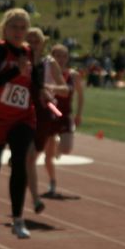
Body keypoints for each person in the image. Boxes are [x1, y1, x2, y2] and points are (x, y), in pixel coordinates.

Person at [0, 8, 41, 239]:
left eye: (23, 27)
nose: (19, 31)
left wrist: (43, 92)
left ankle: (18, 219)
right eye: (14, 26)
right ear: (5, 28)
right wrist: (15, 70)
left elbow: (35, 83)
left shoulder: (29, 52)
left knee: (21, 161)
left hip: (22, 117)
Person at [24, 28, 68, 215]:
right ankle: (35, 199)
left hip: (42, 114)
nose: (32, 45)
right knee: (28, 156)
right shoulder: (19, 61)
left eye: (36, 41)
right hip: (21, 112)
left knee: (31, 157)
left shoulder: (49, 64)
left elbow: (65, 90)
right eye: (29, 41)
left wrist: (49, 87)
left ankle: (31, 196)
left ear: (43, 44)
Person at [41, 44, 84, 198]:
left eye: (63, 56)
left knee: (66, 149)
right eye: (57, 55)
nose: (60, 59)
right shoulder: (46, 73)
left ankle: (58, 145)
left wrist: (79, 114)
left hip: (65, 114)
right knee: (48, 155)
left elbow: (80, 95)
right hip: (50, 111)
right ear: (51, 57)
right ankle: (52, 183)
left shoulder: (73, 75)